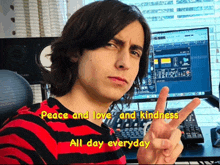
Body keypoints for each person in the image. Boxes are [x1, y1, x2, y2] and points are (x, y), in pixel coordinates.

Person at [0, 0, 200, 164]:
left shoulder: (107, 135)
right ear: (74, 52)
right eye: (111, 44)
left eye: (134, 52)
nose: (125, 63)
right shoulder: (28, 134)